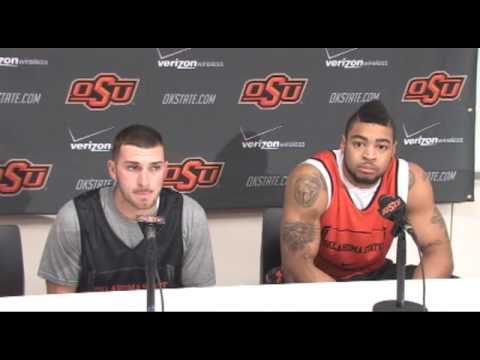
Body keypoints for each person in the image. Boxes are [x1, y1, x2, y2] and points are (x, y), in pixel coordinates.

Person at [278, 100, 454, 283]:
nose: (369, 155)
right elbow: (297, 265)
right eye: (359, 144)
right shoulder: (312, 179)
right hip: (322, 278)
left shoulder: (410, 180)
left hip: (375, 274)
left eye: (381, 147)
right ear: (344, 144)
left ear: (393, 149)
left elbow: (437, 250)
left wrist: (413, 300)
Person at [38, 124, 215, 293]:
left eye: (155, 168)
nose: (144, 182)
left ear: (165, 170)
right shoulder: (74, 218)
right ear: (113, 170)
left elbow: (200, 303)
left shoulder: (189, 215)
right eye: (132, 167)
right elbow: (59, 304)